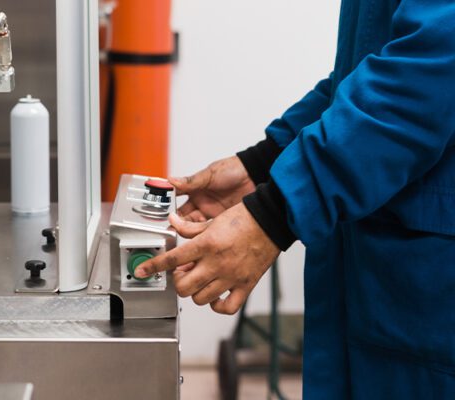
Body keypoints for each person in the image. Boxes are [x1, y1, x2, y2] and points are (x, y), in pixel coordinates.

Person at [134, 0, 455, 397]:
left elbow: (420, 83)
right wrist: (264, 162)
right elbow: (364, 71)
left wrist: (274, 214)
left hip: (429, 284)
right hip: (377, 267)